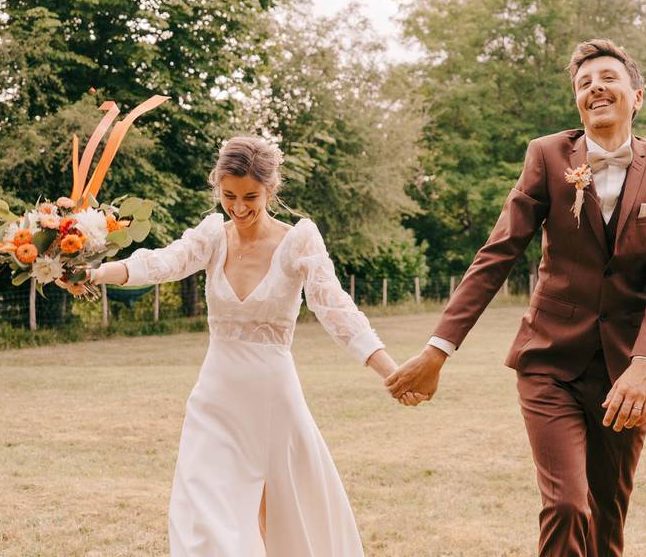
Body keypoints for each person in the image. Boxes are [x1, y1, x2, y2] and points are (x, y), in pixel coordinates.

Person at [386, 39, 646, 556]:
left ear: (636, 96)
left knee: (607, 519)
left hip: (627, 373)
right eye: (583, 82)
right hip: (548, 360)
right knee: (568, 505)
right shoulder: (548, 156)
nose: (595, 86)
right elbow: (497, 254)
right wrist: (438, 349)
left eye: (608, 77)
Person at [66, 136, 420, 556]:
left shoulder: (299, 240)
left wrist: (392, 372)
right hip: (215, 400)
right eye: (228, 195)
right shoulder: (213, 235)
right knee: (206, 518)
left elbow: (337, 310)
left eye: (250, 196)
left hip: (273, 402)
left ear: (271, 189)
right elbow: (162, 262)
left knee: (290, 521)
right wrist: (96, 273)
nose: (238, 206)